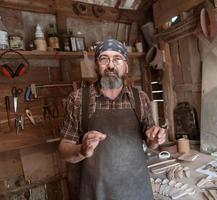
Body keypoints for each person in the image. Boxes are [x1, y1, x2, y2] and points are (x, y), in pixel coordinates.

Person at [59, 39, 166, 200]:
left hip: (137, 189)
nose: (110, 65)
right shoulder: (78, 99)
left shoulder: (140, 98)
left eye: (117, 59)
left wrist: (156, 139)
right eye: (104, 58)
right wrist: (81, 150)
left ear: (126, 66)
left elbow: (150, 144)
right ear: (96, 66)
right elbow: (63, 149)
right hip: (97, 192)